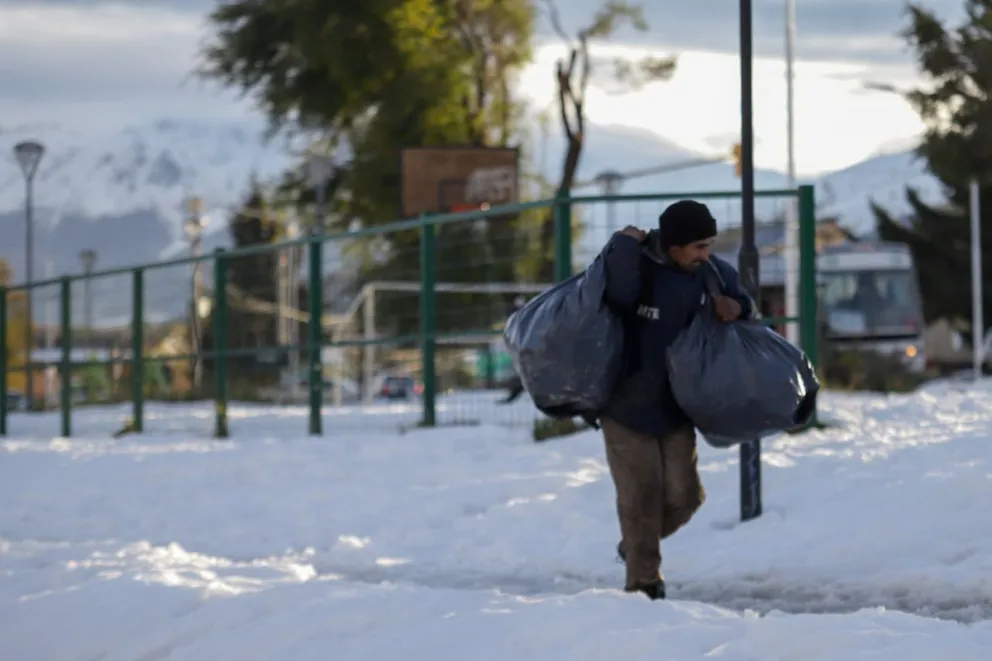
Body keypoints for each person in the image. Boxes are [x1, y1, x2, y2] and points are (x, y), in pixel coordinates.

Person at [596, 200, 755, 600]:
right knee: (641, 495)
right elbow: (616, 295)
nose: (706, 254)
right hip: (625, 406)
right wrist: (623, 245)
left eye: (709, 245)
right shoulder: (640, 269)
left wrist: (734, 307)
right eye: (698, 246)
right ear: (674, 245)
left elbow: (747, 306)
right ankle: (644, 583)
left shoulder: (712, 274)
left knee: (685, 497)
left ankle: (635, 545)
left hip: (677, 407)